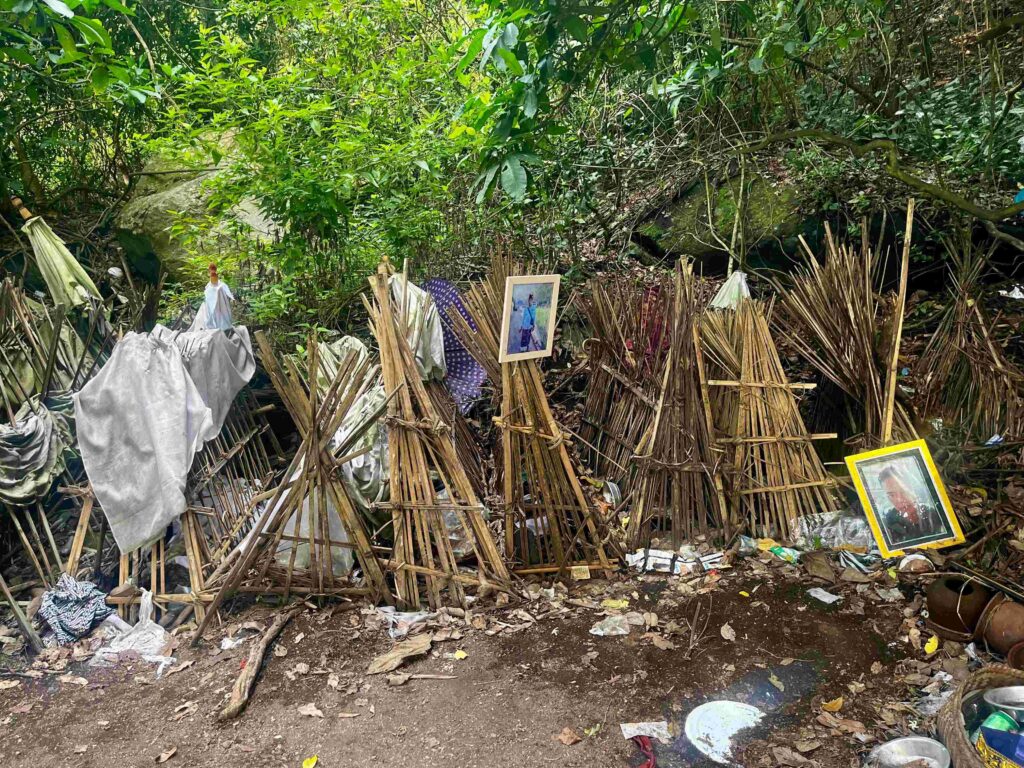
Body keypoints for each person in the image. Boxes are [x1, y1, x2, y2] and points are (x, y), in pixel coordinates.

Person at [877, 466, 944, 545]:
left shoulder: (936, 513)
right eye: (891, 495)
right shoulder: (885, 525)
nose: (900, 499)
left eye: (903, 491)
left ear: (913, 489)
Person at [191, 263, 235, 331]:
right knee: (214, 312)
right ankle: (216, 327)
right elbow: (211, 286)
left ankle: (221, 327)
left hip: (219, 298)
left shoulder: (219, 282)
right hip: (213, 298)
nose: (212, 271)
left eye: (212, 269)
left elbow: (216, 284)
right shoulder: (213, 281)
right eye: (211, 269)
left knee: (219, 312)